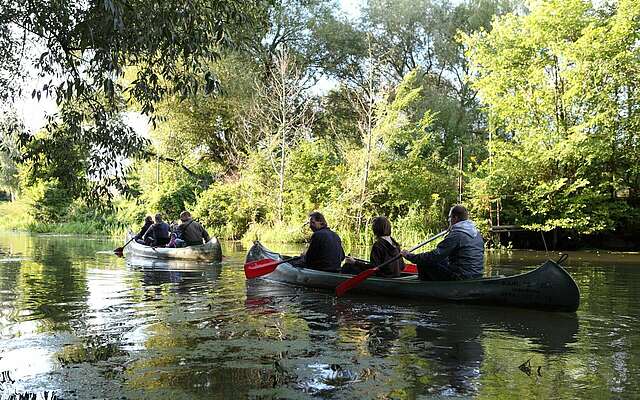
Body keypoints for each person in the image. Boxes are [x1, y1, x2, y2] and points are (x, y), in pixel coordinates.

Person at [400, 205, 484, 281]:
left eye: (449, 217)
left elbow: (434, 256)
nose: (449, 220)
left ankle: (425, 288)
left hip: (461, 277)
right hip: (477, 275)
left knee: (423, 262)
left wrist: (409, 256)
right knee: (441, 260)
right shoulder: (476, 233)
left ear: (455, 218)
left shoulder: (456, 234)